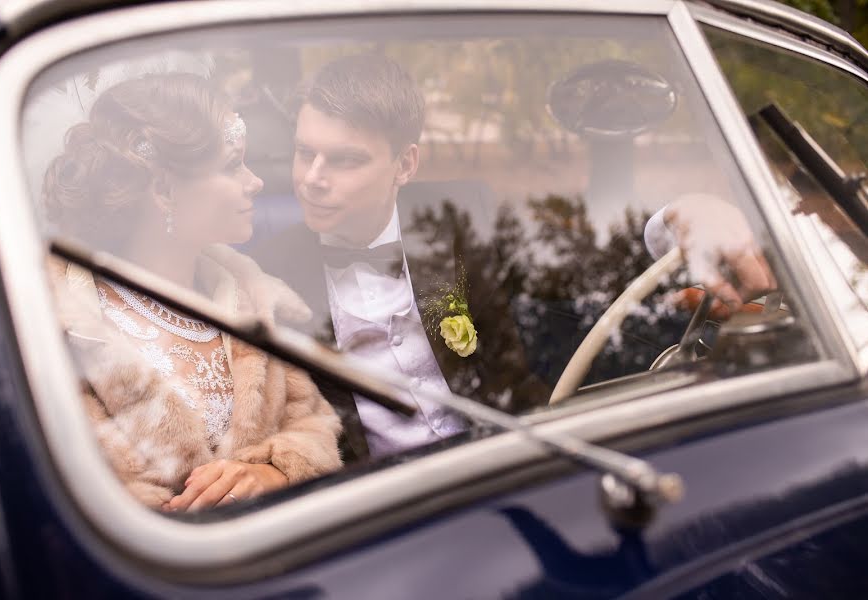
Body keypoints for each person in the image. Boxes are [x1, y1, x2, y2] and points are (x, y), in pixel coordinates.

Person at [43, 72, 343, 511]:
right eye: (231, 165)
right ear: (163, 189)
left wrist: (272, 471)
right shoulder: (60, 327)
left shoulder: (250, 300)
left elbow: (313, 425)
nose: (255, 182)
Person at [254, 54, 551, 460]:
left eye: (345, 160)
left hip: (498, 460)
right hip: (382, 496)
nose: (311, 179)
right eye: (305, 153)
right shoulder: (269, 271)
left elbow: (530, 343)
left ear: (405, 164)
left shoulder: (459, 219)